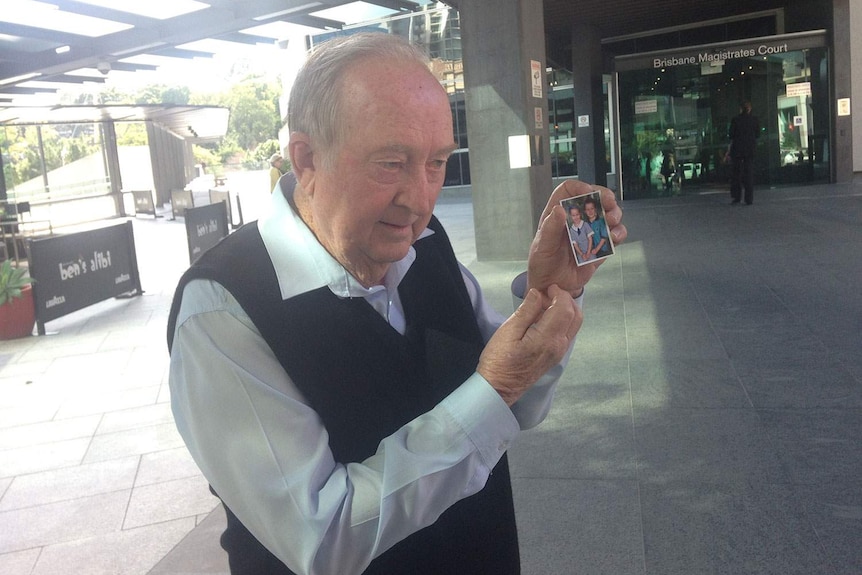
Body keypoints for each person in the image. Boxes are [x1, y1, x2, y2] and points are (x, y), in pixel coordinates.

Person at [167, 33, 626, 575]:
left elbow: (516, 406)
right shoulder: (223, 311)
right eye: (392, 163)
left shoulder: (427, 246)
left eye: (436, 163)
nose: (419, 198)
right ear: (307, 158)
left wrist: (552, 294)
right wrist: (495, 386)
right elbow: (324, 538)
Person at [728, 101, 760, 205]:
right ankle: (749, 198)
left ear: (741, 109)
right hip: (750, 150)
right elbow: (758, 134)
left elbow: (731, 135)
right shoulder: (754, 120)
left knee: (736, 174)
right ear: (749, 109)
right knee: (749, 173)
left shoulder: (735, 120)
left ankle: (737, 197)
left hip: (737, 150)